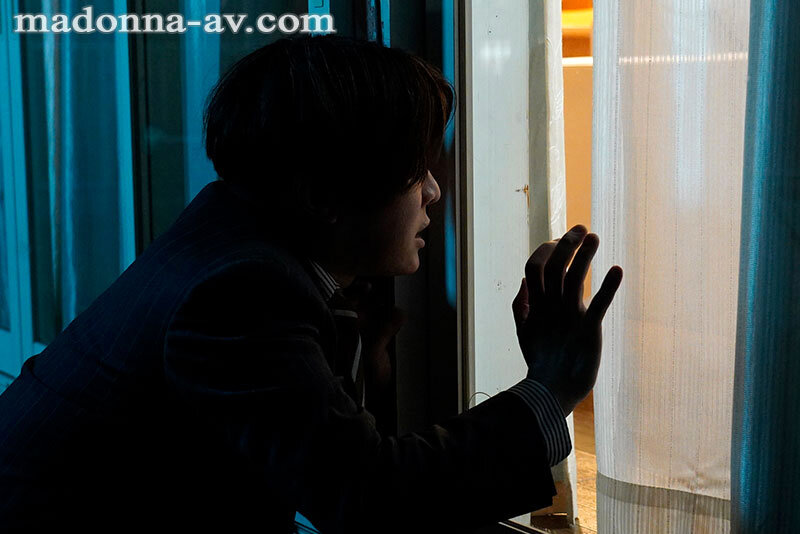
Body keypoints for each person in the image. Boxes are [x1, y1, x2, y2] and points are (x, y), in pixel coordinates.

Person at [0, 35, 622, 532]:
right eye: (415, 171)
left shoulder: (231, 236)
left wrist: (360, 367)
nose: (434, 192)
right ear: (322, 194)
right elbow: (369, 498)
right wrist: (553, 385)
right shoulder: (240, 291)